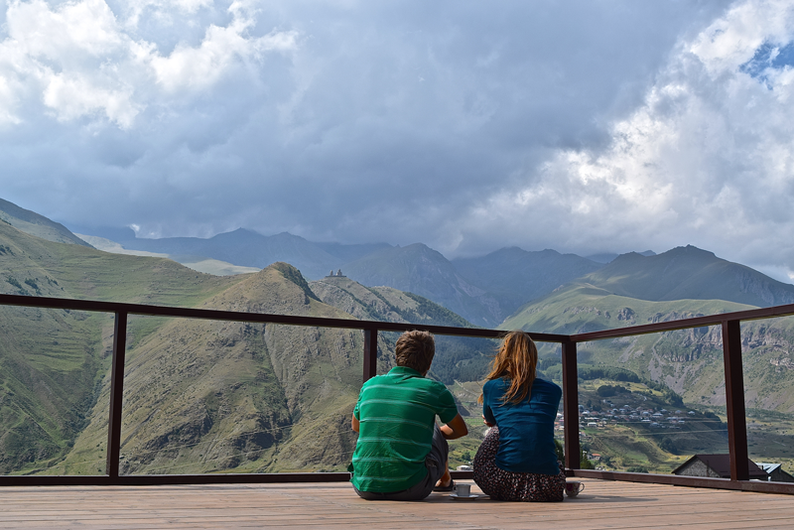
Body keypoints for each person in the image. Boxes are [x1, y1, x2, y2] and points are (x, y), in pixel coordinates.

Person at [349, 330, 468, 500]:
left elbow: (356, 426)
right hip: (412, 487)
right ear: (429, 362)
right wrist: (430, 434)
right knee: (433, 427)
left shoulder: (370, 385)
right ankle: (446, 480)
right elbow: (460, 431)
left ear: (396, 355)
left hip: (363, 486)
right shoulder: (434, 389)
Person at [473, 330, 566, 501]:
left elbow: (490, 421)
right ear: (534, 358)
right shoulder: (554, 390)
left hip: (502, 482)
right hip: (549, 485)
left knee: (496, 431)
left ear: (503, 356)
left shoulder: (492, 387)